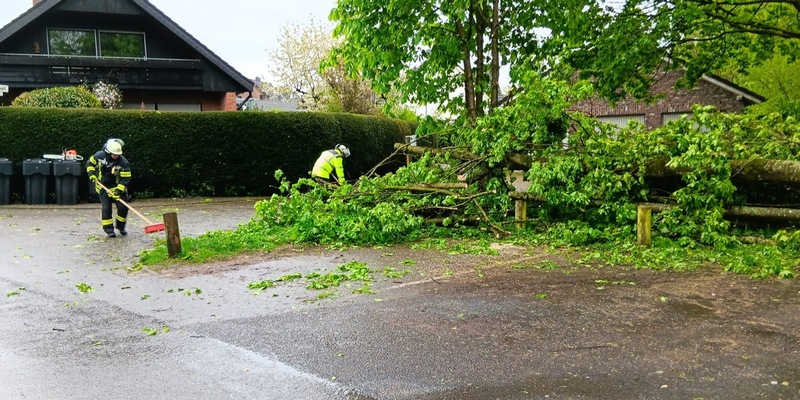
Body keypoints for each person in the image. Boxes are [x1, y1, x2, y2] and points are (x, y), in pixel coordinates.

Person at [86, 138, 132, 238]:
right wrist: (91, 174)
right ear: (108, 152)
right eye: (114, 154)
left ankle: (120, 227)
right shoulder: (99, 156)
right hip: (103, 187)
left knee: (123, 208)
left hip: (118, 187)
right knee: (106, 208)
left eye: (118, 154)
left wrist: (118, 191)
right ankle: (109, 230)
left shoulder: (124, 163)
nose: (116, 156)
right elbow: (89, 163)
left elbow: (126, 178)